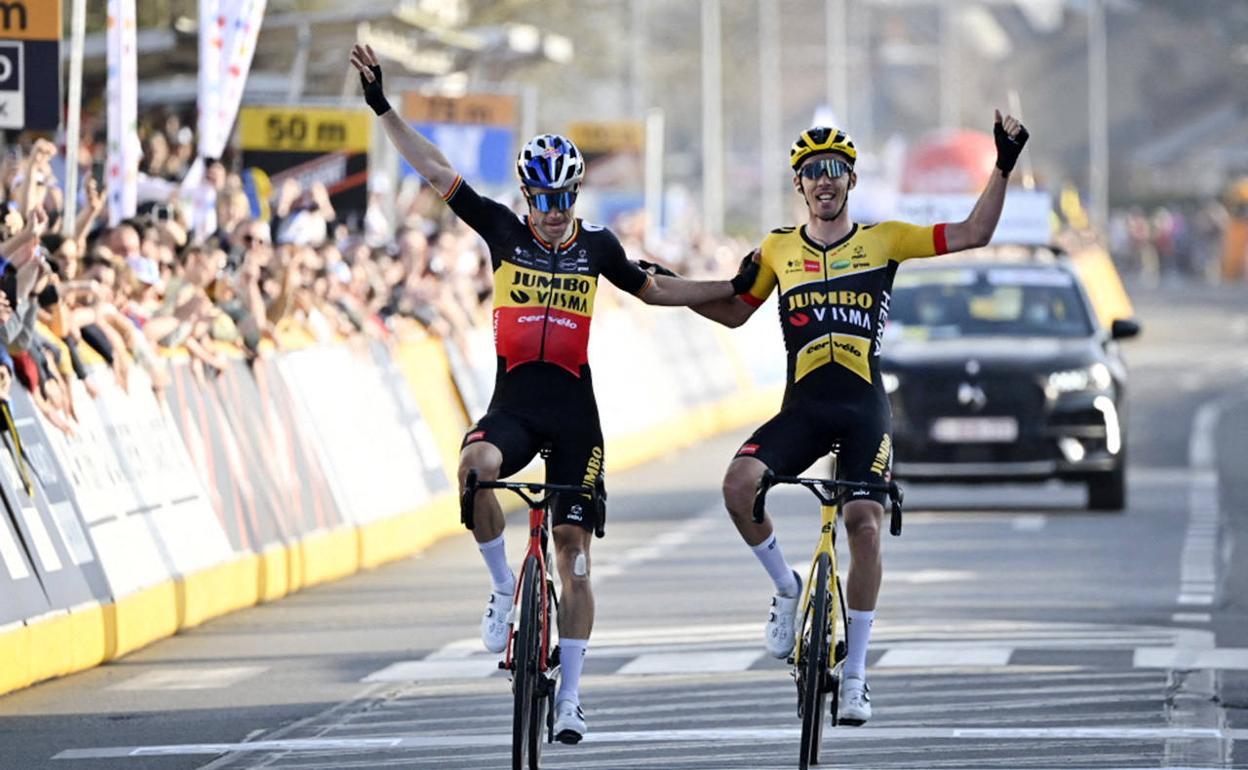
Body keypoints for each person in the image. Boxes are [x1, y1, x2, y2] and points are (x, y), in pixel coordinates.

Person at [349, 44, 758, 744]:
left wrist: (729, 286)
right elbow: (435, 168)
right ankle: (503, 585)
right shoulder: (503, 232)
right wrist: (383, 106)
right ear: (526, 197)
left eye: (561, 200)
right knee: (473, 472)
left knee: (574, 553)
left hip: (575, 417)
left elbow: (656, 289)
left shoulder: (596, 247)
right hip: (514, 406)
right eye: (541, 201)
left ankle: (570, 698)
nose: (549, 212)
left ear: (575, 197)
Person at [689, 113, 1029, 725]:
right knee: (739, 486)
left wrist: (1003, 165)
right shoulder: (776, 248)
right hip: (804, 410)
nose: (824, 180)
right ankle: (789, 590)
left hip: (863, 408)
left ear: (850, 179)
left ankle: (857, 677)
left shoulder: (886, 239)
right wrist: (653, 286)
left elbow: (975, 231)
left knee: (864, 526)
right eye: (812, 171)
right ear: (800, 185)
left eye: (834, 170)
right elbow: (734, 307)